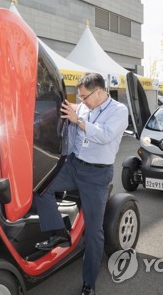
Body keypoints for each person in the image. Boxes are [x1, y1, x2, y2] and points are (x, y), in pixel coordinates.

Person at [33, 73, 128, 295]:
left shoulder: (119, 111)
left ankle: (89, 283)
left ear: (98, 92)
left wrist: (79, 121)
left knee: (94, 232)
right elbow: (69, 116)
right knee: (41, 186)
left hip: (97, 175)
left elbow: (105, 135)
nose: (82, 101)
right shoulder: (84, 106)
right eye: (80, 98)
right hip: (74, 165)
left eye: (85, 97)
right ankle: (59, 232)